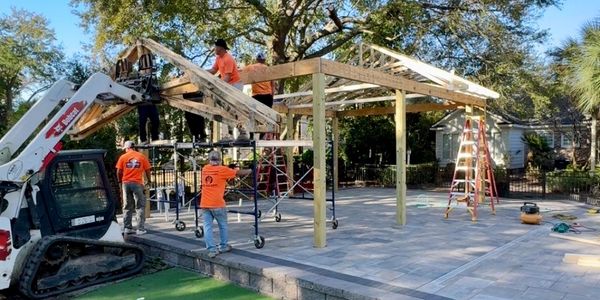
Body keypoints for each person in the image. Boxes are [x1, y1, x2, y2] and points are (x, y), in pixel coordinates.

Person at [200, 150, 251, 257]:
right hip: (217, 204)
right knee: (222, 225)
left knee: (207, 227)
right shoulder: (222, 170)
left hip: (204, 203)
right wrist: (252, 170)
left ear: (209, 160)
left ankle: (212, 249)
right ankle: (223, 246)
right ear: (220, 160)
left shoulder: (205, 169)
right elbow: (238, 173)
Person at [116, 141, 152, 235]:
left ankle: (127, 228)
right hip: (137, 183)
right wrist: (149, 180)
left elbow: (119, 172)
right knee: (140, 205)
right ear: (134, 147)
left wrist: (120, 181)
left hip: (126, 183)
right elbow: (147, 170)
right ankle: (140, 229)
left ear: (127, 148)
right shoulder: (141, 156)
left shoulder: (123, 157)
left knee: (127, 205)